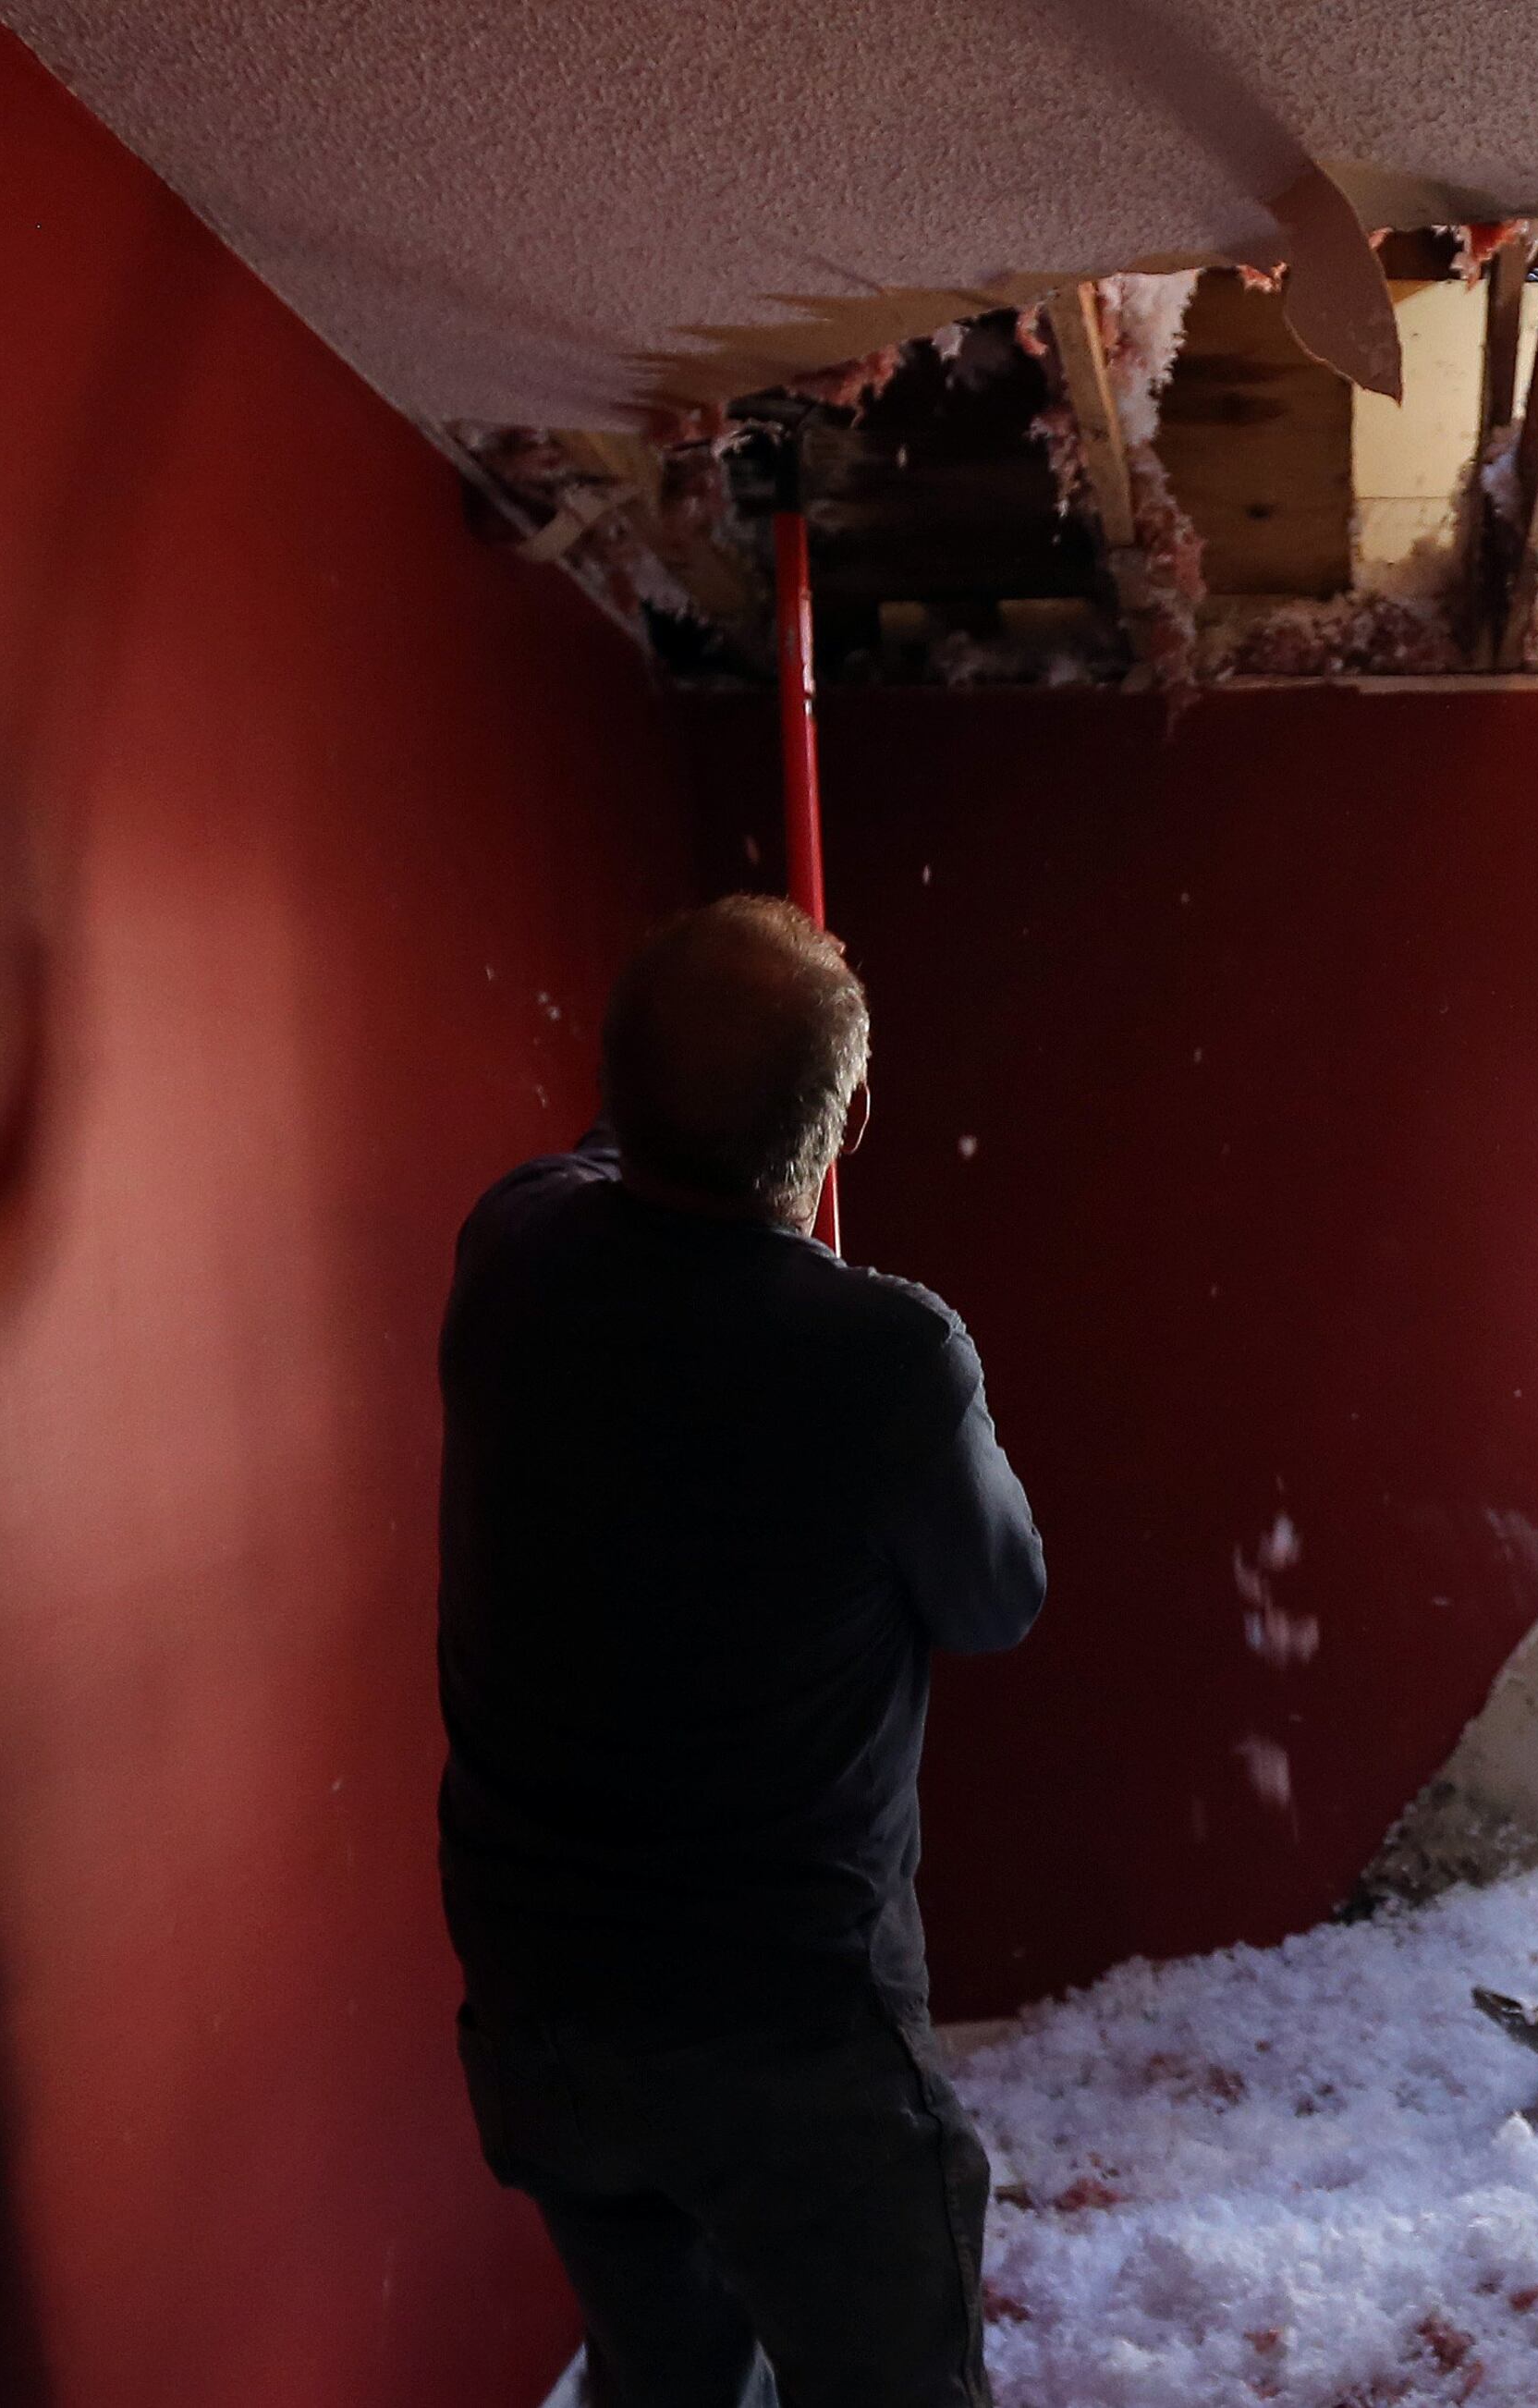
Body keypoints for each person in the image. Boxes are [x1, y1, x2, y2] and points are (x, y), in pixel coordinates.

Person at [436, 895, 1044, 2406]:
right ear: (844, 1127)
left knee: (665, 2383)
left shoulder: (510, 1250)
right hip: (788, 2033)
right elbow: (996, 1599)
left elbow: (609, 1150)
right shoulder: (890, 1355)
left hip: (546, 2010)